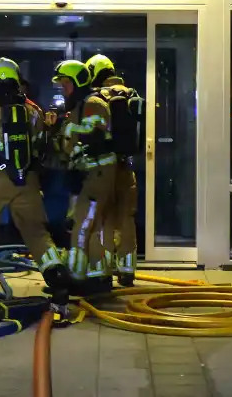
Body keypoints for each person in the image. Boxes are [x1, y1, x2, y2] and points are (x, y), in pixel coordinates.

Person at [0, 57, 70, 302]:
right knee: (37, 233)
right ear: (17, 77)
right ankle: (57, 276)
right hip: (27, 180)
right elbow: (42, 145)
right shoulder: (32, 108)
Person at [52, 59, 117, 295]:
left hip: (96, 174)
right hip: (90, 174)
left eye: (65, 83)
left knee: (81, 227)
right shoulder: (81, 105)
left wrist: (70, 130)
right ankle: (99, 277)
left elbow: (94, 133)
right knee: (89, 228)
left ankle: (77, 280)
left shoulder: (93, 103)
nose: (62, 88)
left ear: (78, 81)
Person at [85, 54, 145, 287]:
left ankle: (103, 271)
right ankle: (127, 270)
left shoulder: (97, 98)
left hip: (103, 169)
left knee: (102, 219)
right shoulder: (132, 95)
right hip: (126, 168)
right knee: (126, 218)